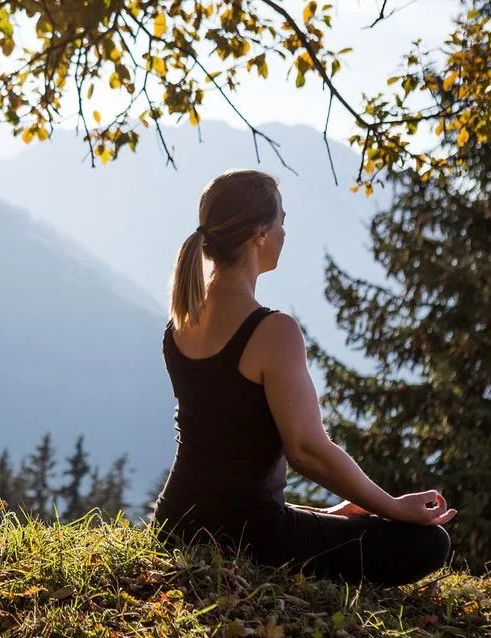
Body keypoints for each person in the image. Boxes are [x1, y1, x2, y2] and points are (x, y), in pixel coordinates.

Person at [153, 169, 456, 586]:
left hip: (175, 524)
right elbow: (307, 449)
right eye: (281, 221)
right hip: (248, 539)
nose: (283, 232)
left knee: (340, 525)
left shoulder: (180, 324)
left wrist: (325, 516)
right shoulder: (273, 331)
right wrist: (391, 506)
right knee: (429, 543)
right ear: (259, 232)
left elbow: (224, 465)